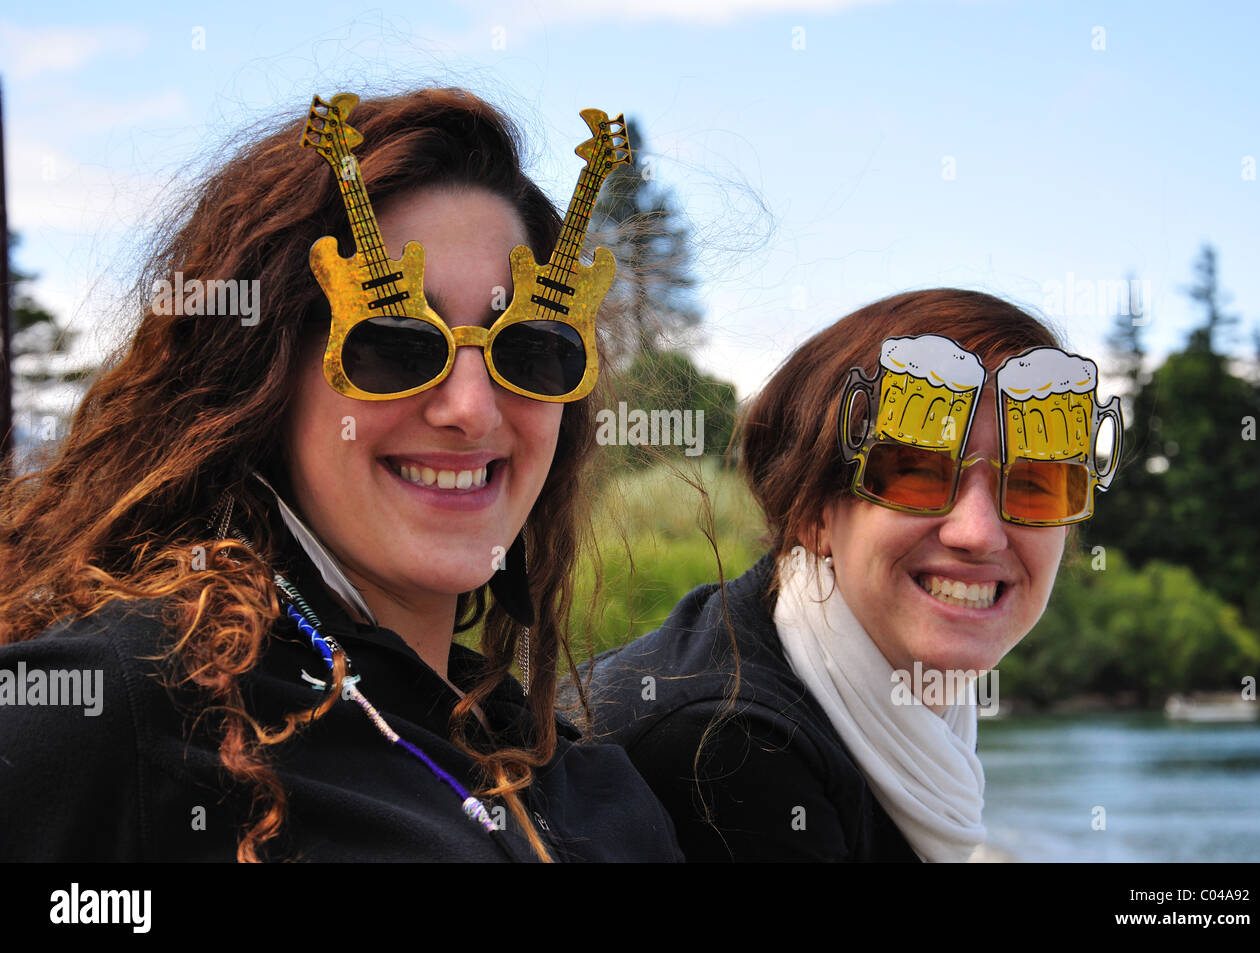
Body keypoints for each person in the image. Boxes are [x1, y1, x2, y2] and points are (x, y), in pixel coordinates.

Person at [0, 88, 679, 862]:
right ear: (260, 379)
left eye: (528, 349)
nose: (471, 409)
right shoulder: (124, 714)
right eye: (393, 343)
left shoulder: (590, 786)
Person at [583, 289, 1123, 862]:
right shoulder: (729, 746)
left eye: (1037, 484)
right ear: (812, 513)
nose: (980, 533)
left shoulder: (881, 711)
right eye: (916, 473)